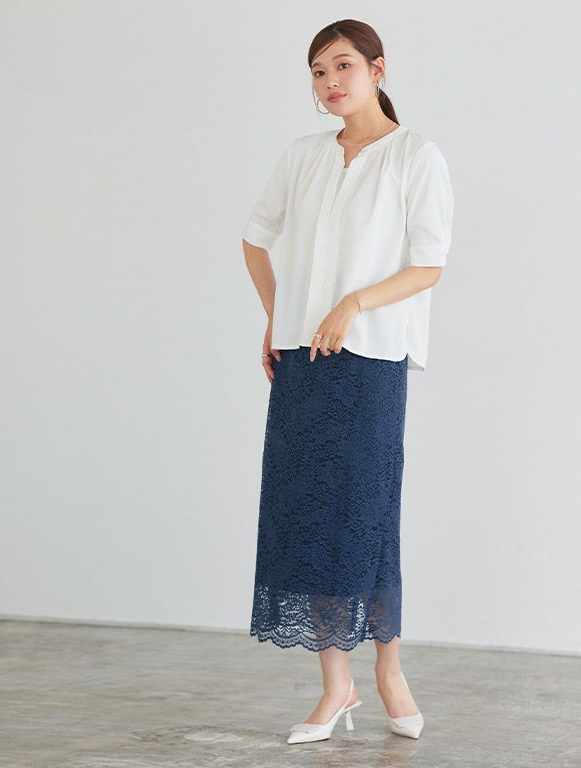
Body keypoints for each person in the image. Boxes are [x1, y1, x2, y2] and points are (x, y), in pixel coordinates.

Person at [242, 19, 454, 745]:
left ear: (377, 68)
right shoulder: (303, 156)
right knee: (305, 512)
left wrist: (354, 302)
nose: (330, 82)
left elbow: (428, 264)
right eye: (317, 71)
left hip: (370, 359)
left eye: (342, 66)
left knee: (366, 513)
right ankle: (337, 685)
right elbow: (255, 237)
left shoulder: (415, 156)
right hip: (301, 360)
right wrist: (278, 316)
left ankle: (389, 670)